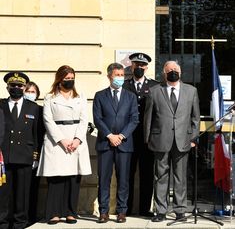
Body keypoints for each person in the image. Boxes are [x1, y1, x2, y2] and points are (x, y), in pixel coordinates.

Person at [144, 61, 200, 223]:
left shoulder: (191, 91)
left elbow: (195, 117)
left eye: (176, 70)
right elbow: (148, 117)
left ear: (181, 72)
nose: (173, 72)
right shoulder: (155, 91)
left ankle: (180, 210)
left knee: (180, 177)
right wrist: (147, 139)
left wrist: (193, 138)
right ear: (164, 73)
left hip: (183, 140)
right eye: (170, 70)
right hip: (160, 140)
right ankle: (160, 210)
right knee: (160, 176)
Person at [36, 66, 92, 224]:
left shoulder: (80, 96)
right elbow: (47, 120)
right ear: (59, 79)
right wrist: (62, 140)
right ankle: (53, 213)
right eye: (66, 78)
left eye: (72, 78)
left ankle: (70, 212)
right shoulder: (50, 97)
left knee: (73, 178)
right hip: (56, 142)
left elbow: (84, 120)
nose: (69, 81)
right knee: (56, 178)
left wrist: (77, 139)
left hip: (76, 140)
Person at [93, 63, 139, 223]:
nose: (120, 78)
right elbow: (97, 119)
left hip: (124, 144)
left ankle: (121, 211)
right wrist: (110, 136)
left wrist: (121, 136)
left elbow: (134, 119)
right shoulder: (100, 96)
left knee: (123, 179)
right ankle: (103, 211)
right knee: (104, 179)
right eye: (117, 75)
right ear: (109, 76)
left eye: (122, 75)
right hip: (105, 144)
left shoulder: (130, 96)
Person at [0, 72, 41, 229]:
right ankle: (2, 223)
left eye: (20, 86)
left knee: (22, 194)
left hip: (25, 156)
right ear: (7, 87)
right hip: (4, 157)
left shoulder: (34, 107)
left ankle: (20, 223)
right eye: (13, 85)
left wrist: (35, 156)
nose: (16, 88)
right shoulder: (1, 105)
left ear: (24, 88)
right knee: (3, 193)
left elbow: (36, 133)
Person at [123, 52, 159, 217]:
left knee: (146, 174)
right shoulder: (124, 85)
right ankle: (127, 209)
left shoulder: (154, 86)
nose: (139, 67)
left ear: (146, 67)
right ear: (132, 66)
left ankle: (145, 209)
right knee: (127, 174)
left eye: (142, 65)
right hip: (128, 137)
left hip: (147, 137)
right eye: (136, 64)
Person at [24, 81, 45, 225]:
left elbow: (40, 133)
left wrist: (36, 155)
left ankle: (30, 216)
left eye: (33, 92)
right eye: (28, 91)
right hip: (17, 154)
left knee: (32, 187)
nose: (30, 94)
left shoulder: (40, 110)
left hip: (34, 153)